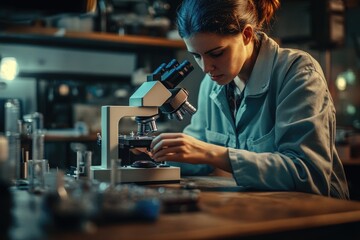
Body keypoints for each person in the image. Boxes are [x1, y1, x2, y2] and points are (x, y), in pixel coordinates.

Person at [149, 0, 349, 199]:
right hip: (261, 209)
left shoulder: (297, 73)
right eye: (197, 56)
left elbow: (308, 174)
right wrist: (150, 154)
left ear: (246, 35)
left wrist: (213, 153)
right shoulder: (211, 85)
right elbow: (194, 153)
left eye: (216, 54)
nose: (206, 68)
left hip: (321, 216)